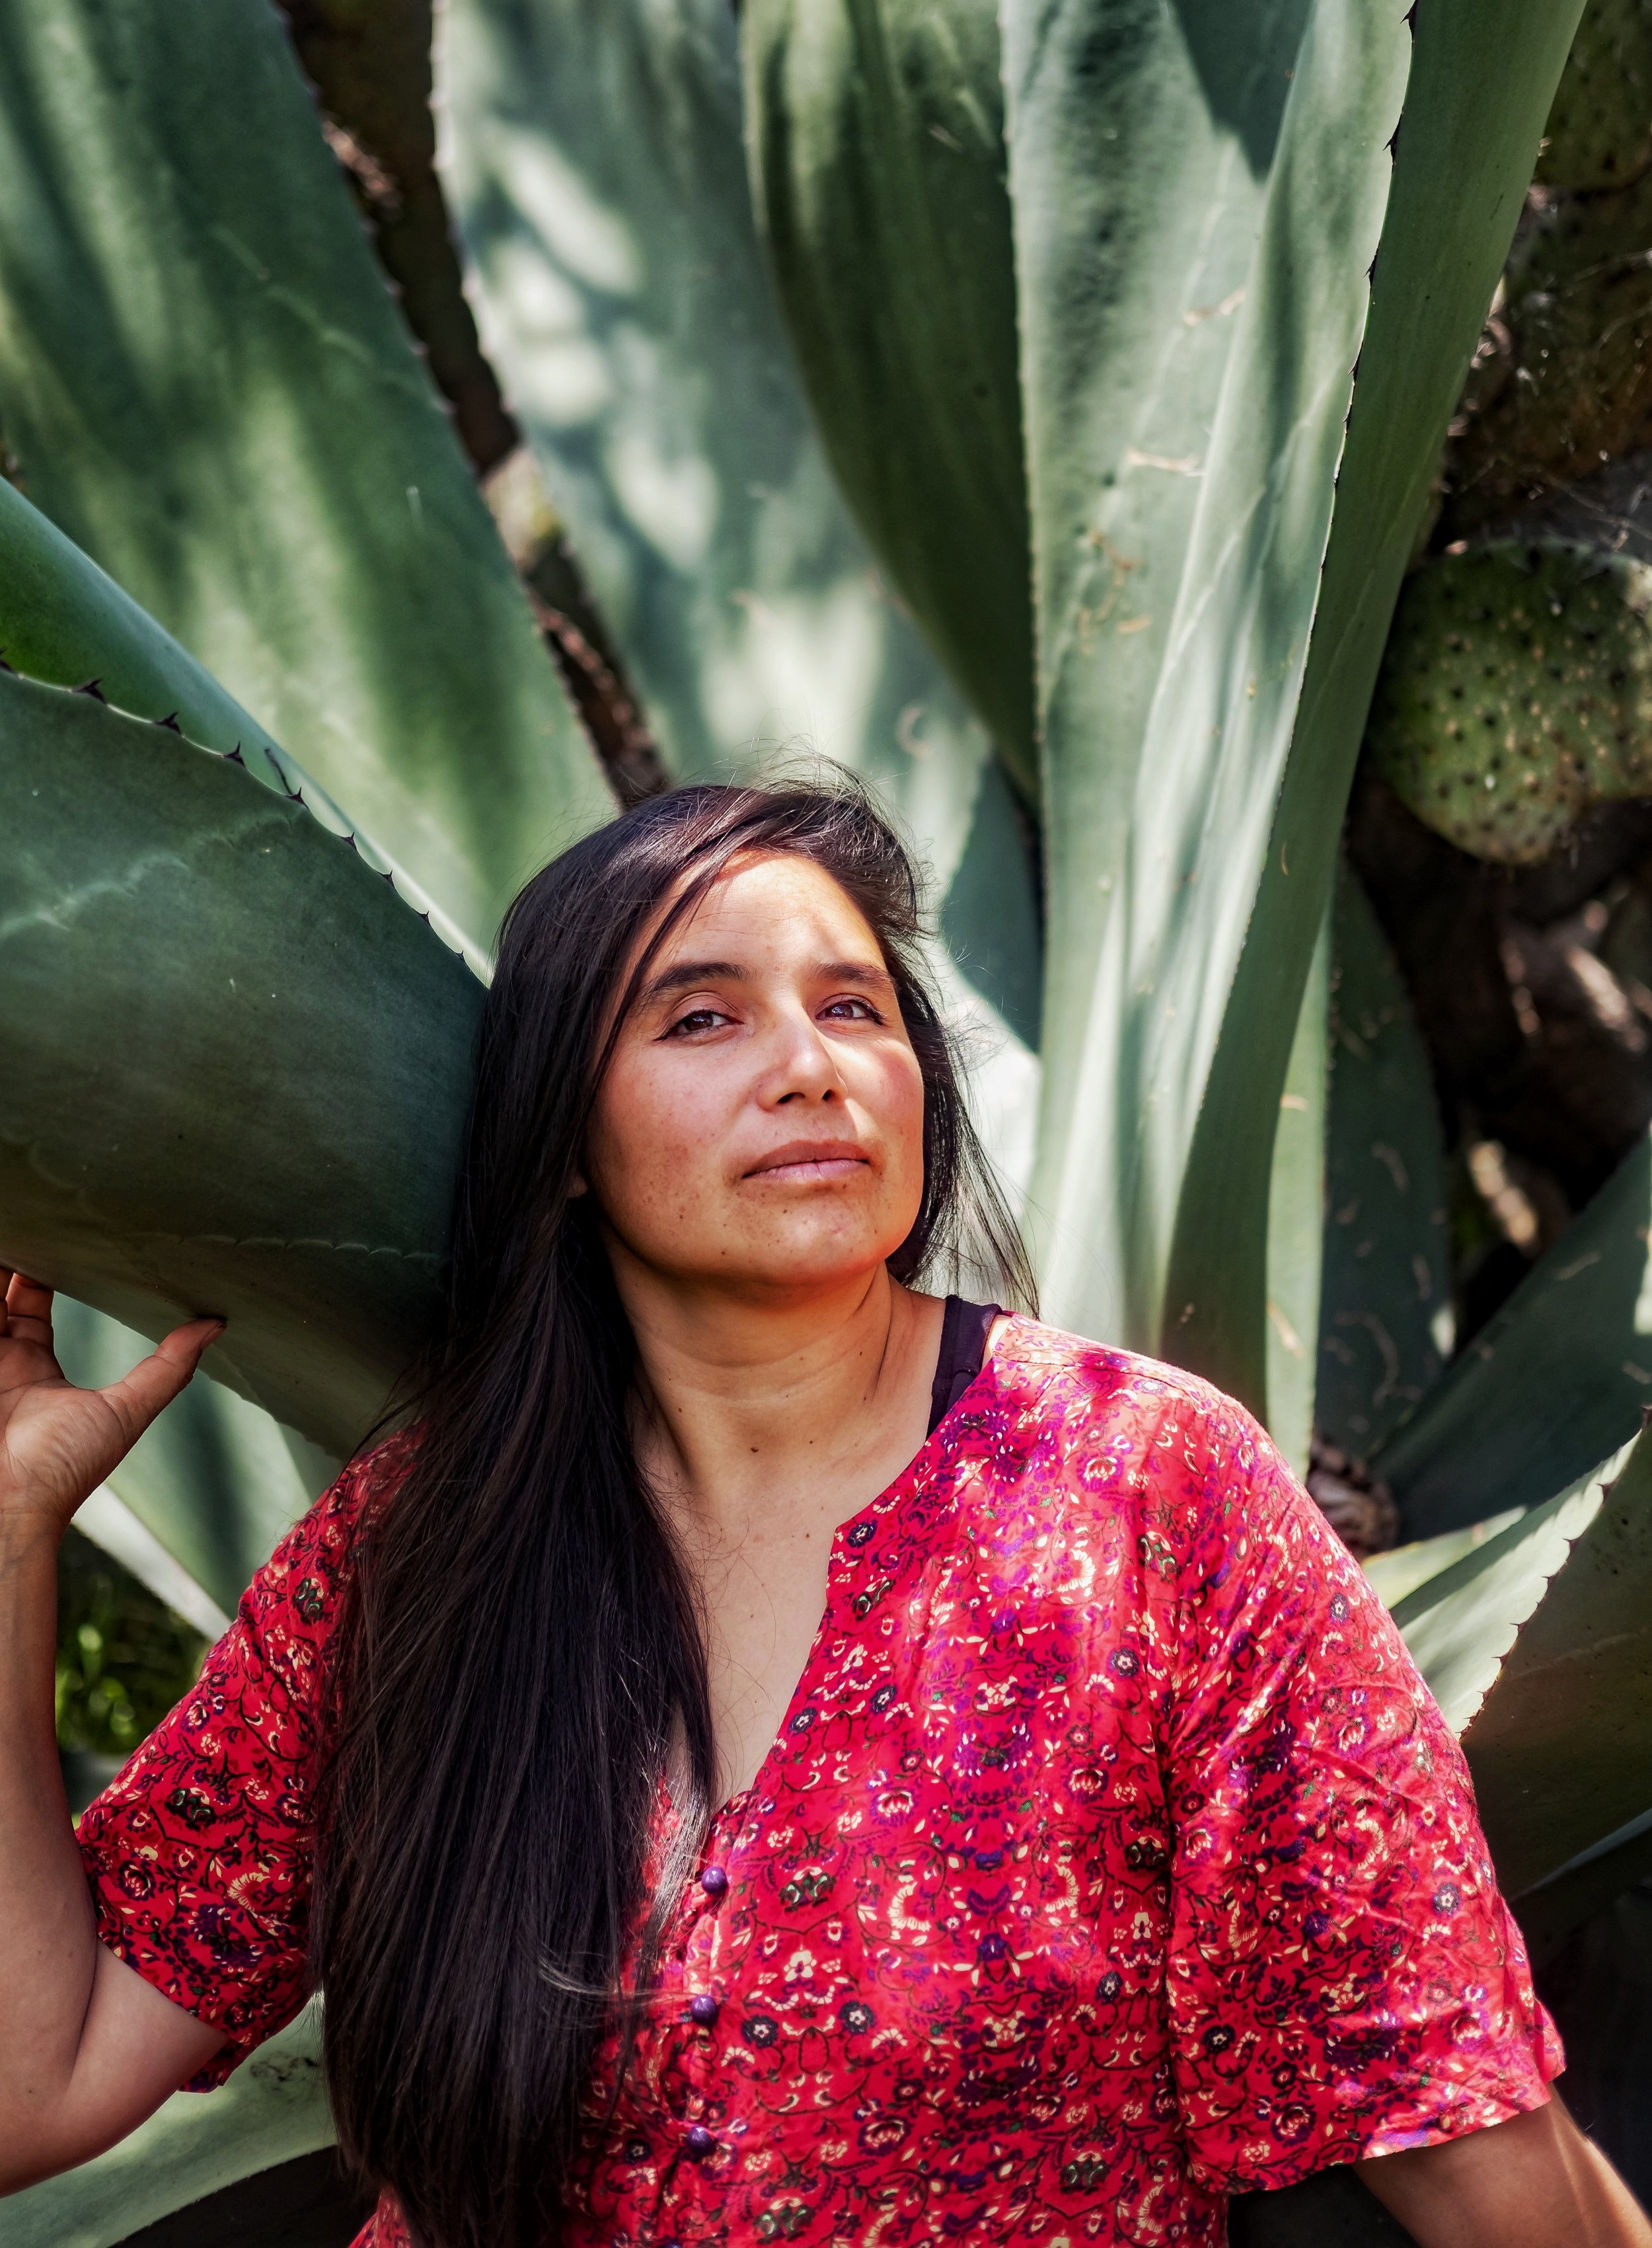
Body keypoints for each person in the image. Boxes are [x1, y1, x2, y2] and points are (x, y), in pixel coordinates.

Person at [0, 777, 1646, 2248]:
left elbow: (1463, 2126)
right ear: (564, 1138)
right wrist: (12, 1537)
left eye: (853, 1006)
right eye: (700, 1019)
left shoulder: (1143, 1493)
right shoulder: (425, 1548)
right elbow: (39, 2082)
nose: (807, 1068)